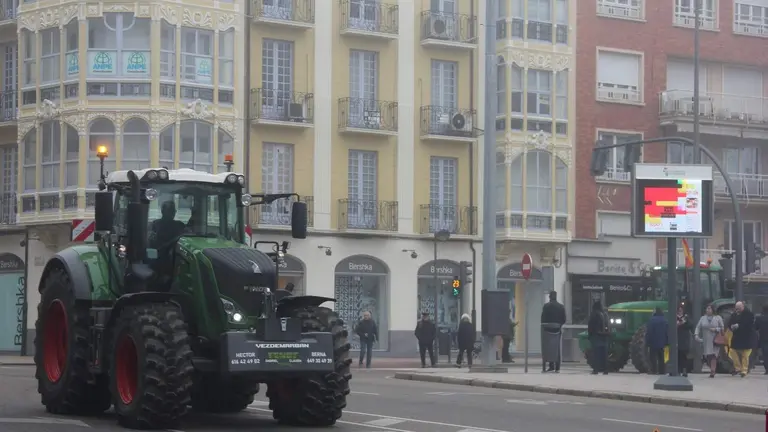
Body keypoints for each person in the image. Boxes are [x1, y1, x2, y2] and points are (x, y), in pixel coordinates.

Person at [694, 305, 724, 378]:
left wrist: (716, 329)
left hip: (715, 339)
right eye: (707, 308)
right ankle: (711, 368)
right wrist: (696, 334)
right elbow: (698, 327)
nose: (707, 310)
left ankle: (712, 371)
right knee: (708, 356)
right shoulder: (703, 318)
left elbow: (722, 328)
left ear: (713, 310)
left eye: (709, 308)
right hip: (706, 340)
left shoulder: (718, 318)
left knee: (714, 355)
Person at [541, 291, 567, 372]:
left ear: (550, 297)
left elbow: (542, 319)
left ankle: (551, 365)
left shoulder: (546, 306)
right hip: (557, 330)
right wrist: (558, 325)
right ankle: (557, 367)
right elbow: (564, 319)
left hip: (547, 330)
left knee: (548, 347)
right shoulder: (561, 307)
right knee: (557, 347)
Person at [727, 301, 755, 377]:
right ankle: (737, 368)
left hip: (746, 337)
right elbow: (729, 323)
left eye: (739, 308)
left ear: (743, 306)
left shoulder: (749, 314)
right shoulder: (734, 314)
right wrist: (731, 327)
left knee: (745, 354)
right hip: (736, 337)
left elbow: (749, 324)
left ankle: (744, 370)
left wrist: (739, 325)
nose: (737, 310)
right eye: (736, 308)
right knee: (732, 351)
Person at [587, 301, 610, 375]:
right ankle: (605, 370)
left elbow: (590, 326)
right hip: (605, 336)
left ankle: (596, 369)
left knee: (596, 354)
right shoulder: (605, 314)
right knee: (604, 354)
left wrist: (589, 335)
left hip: (596, 336)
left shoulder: (594, 314)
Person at [645, 307, 668, 375]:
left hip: (653, 342)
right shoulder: (665, 320)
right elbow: (668, 332)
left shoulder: (651, 320)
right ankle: (662, 371)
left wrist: (647, 342)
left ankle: (654, 370)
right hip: (664, 342)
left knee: (653, 357)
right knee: (663, 358)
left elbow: (649, 332)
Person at [676, 306, 693, 377]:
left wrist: (683, 323)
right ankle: (678, 371)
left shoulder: (686, 318)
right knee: (677, 356)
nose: (680, 311)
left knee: (684, 356)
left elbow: (691, 325)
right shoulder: (674, 317)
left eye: (681, 310)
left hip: (684, 340)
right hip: (676, 339)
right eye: (679, 310)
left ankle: (684, 371)